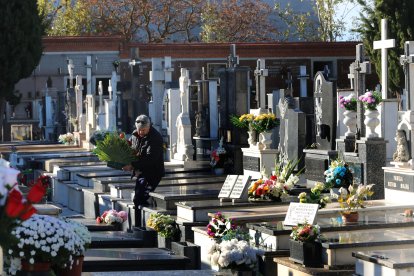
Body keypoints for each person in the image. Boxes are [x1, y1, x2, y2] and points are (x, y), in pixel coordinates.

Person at [122, 115, 165, 226]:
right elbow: (133, 151)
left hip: (152, 173)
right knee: (138, 197)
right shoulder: (134, 135)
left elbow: (150, 159)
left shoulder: (155, 138)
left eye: (143, 130)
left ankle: (143, 226)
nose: (140, 132)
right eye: (139, 130)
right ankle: (139, 225)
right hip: (141, 172)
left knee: (140, 197)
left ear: (149, 127)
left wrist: (132, 166)